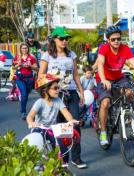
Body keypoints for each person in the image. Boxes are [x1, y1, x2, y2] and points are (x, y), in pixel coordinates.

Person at [38, 26, 87, 169]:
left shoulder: (71, 54)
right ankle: (62, 158)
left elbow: (76, 75)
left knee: (75, 124)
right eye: (61, 38)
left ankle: (76, 158)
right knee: (58, 127)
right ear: (54, 39)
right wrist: (54, 78)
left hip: (71, 93)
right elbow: (41, 74)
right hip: (55, 95)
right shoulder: (47, 55)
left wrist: (81, 91)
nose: (64, 41)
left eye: (66, 38)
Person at [96, 25, 134, 145]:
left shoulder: (125, 48)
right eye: (113, 39)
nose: (116, 41)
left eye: (118, 39)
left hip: (119, 78)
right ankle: (103, 131)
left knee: (129, 93)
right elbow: (100, 64)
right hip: (103, 79)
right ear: (108, 40)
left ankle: (127, 117)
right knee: (105, 103)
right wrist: (103, 79)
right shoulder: (104, 48)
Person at [27, 73, 79, 165]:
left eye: (58, 88)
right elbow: (30, 116)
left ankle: (63, 166)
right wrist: (32, 123)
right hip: (40, 128)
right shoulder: (40, 102)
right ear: (45, 90)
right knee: (37, 148)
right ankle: (36, 166)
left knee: (63, 148)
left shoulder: (58, 101)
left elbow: (66, 112)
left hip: (52, 129)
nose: (58, 90)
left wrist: (71, 120)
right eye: (55, 88)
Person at [12, 43, 38, 120]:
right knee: (24, 94)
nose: (24, 49)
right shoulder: (18, 57)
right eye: (23, 48)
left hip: (29, 78)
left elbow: (36, 68)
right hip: (20, 78)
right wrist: (18, 65)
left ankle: (23, 109)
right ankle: (23, 112)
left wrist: (31, 66)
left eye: (26, 48)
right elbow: (13, 67)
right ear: (20, 49)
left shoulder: (31, 57)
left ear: (28, 49)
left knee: (26, 95)